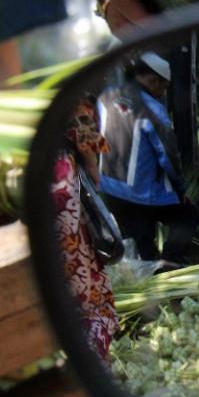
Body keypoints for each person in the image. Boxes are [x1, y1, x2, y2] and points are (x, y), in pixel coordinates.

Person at [98, 52, 199, 267]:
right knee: (189, 215)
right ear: (153, 80)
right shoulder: (153, 110)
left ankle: (148, 280)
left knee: (136, 250)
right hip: (141, 195)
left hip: (110, 190)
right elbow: (168, 157)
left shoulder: (105, 98)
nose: (162, 94)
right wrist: (181, 189)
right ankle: (169, 262)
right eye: (162, 88)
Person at [53, 97, 118, 371]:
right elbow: (81, 122)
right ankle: (92, 367)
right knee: (87, 298)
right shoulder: (69, 90)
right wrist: (91, 167)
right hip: (59, 182)